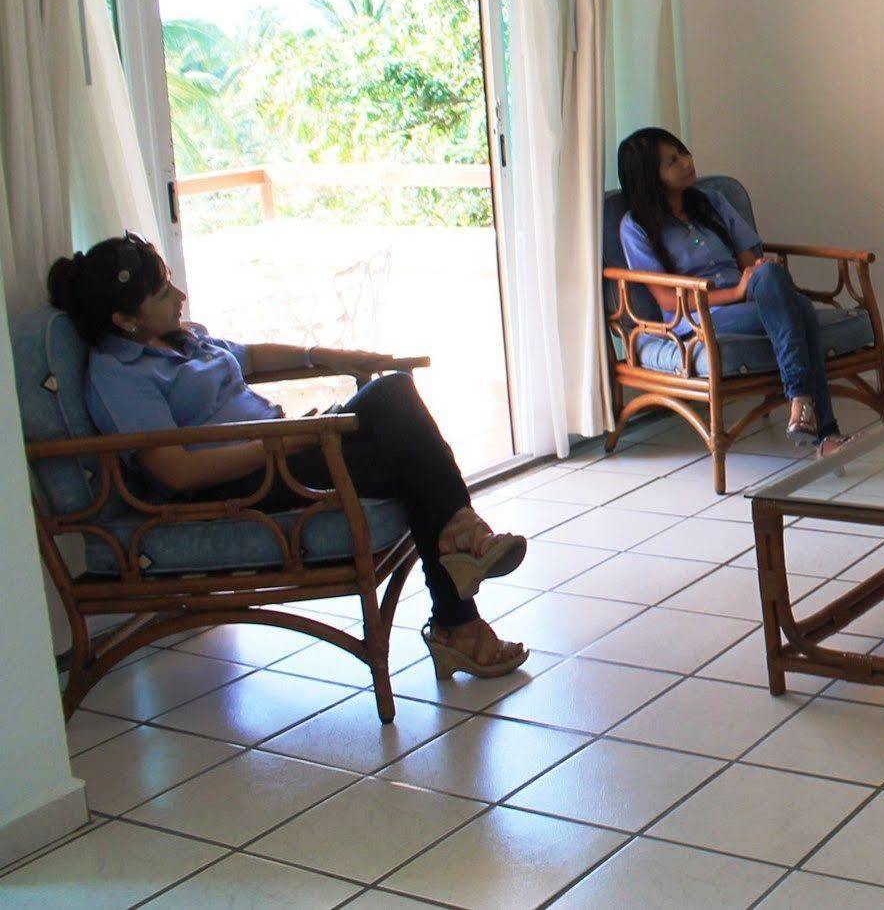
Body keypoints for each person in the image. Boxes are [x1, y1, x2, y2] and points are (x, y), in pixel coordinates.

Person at [47, 234, 528, 678]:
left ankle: (459, 594)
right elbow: (176, 471)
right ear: (125, 320)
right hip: (238, 481)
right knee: (400, 431)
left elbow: (250, 357)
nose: (180, 297)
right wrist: (283, 442)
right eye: (163, 293)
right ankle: (459, 575)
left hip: (281, 454)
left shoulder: (180, 336)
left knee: (394, 396)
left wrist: (324, 355)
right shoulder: (117, 374)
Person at [616, 127, 847, 456]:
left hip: (748, 297)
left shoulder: (711, 201)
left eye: (683, 152)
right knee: (802, 309)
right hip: (695, 317)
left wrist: (754, 275)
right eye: (672, 161)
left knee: (769, 273)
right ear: (650, 177)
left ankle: (806, 408)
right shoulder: (636, 227)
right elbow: (668, 300)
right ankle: (821, 425)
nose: (686, 162)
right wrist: (738, 291)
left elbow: (748, 262)